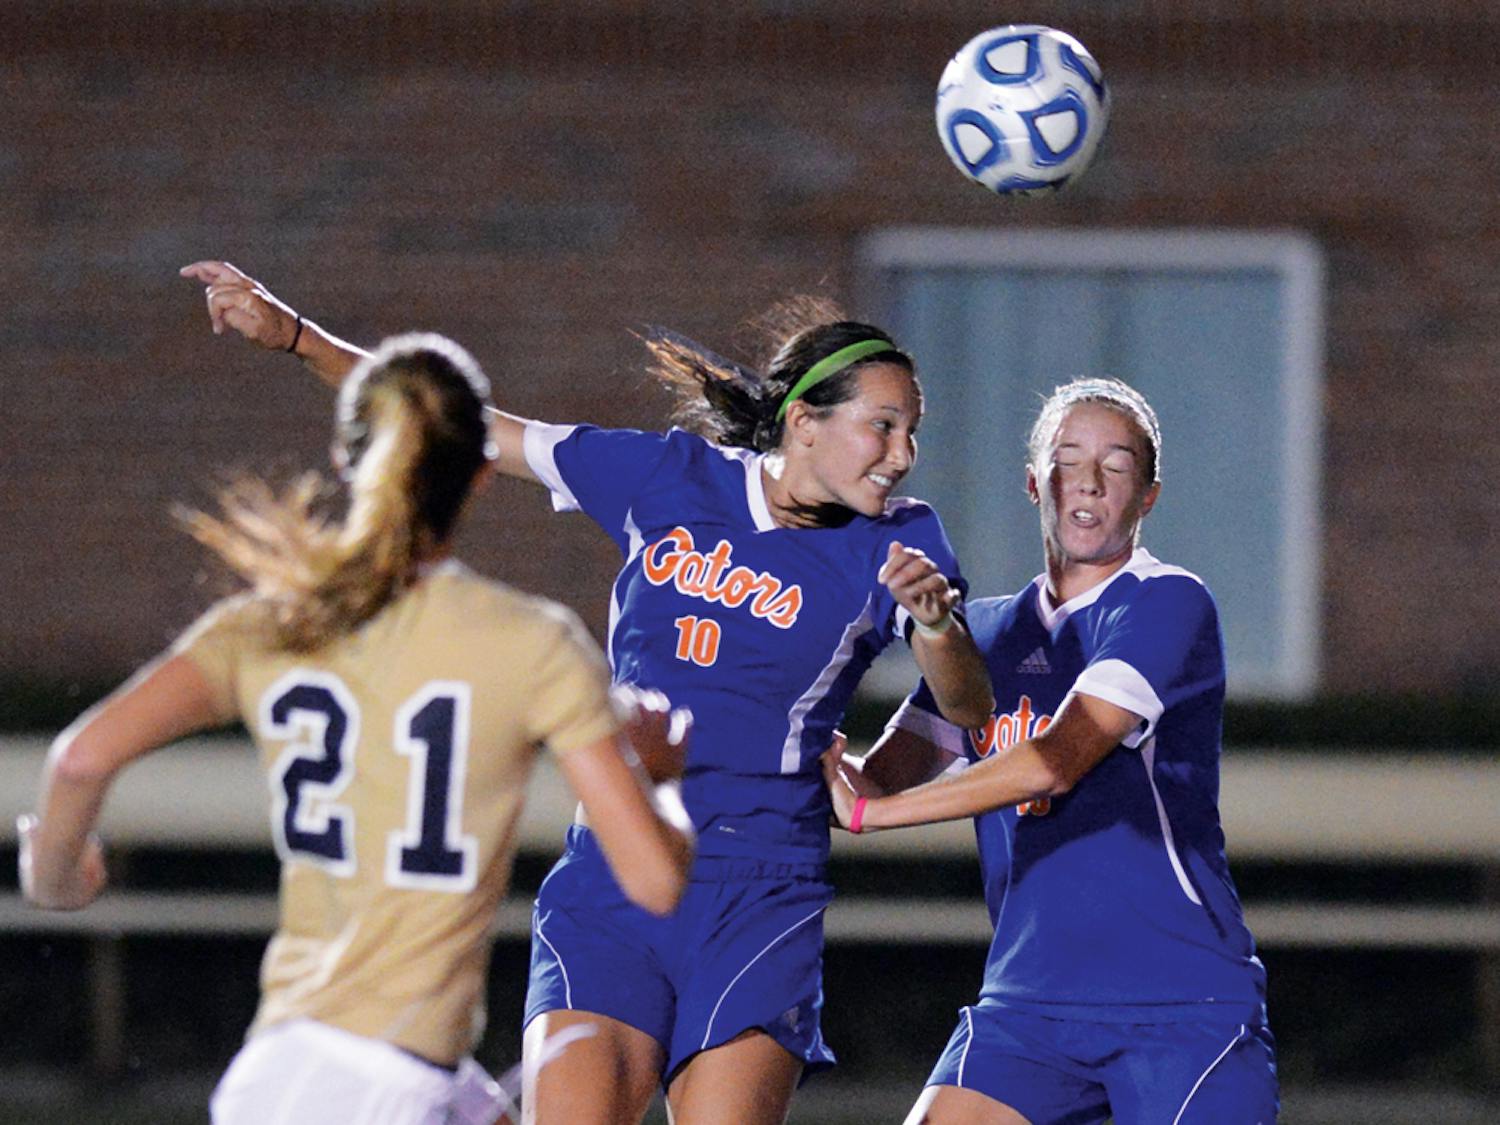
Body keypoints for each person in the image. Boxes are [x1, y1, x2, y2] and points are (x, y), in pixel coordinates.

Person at [178, 260, 996, 1125]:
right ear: (802, 422)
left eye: (912, 431)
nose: (902, 454)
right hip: (615, 874)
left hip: (763, 892)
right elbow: (458, 425)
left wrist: (936, 632)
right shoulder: (663, 475)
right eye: (883, 425)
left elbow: (967, 706)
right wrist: (297, 336)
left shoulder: (907, 541)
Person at [18, 332, 696, 1125]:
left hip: (287, 1071)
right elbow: (654, 878)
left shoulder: (269, 623)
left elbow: (79, 759)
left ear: (347, 463)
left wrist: (55, 876)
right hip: (383, 1081)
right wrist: (661, 778)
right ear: (481, 473)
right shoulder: (529, 641)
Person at [823, 377, 1278, 1124]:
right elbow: (875, 777)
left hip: (1180, 1005)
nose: (1090, 480)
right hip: (1028, 1006)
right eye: (1068, 458)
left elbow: (1054, 759)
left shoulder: (1167, 601)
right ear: (1036, 481)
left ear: (1149, 495)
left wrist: (873, 813)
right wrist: (808, 737)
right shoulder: (988, 634)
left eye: (1118, 463)